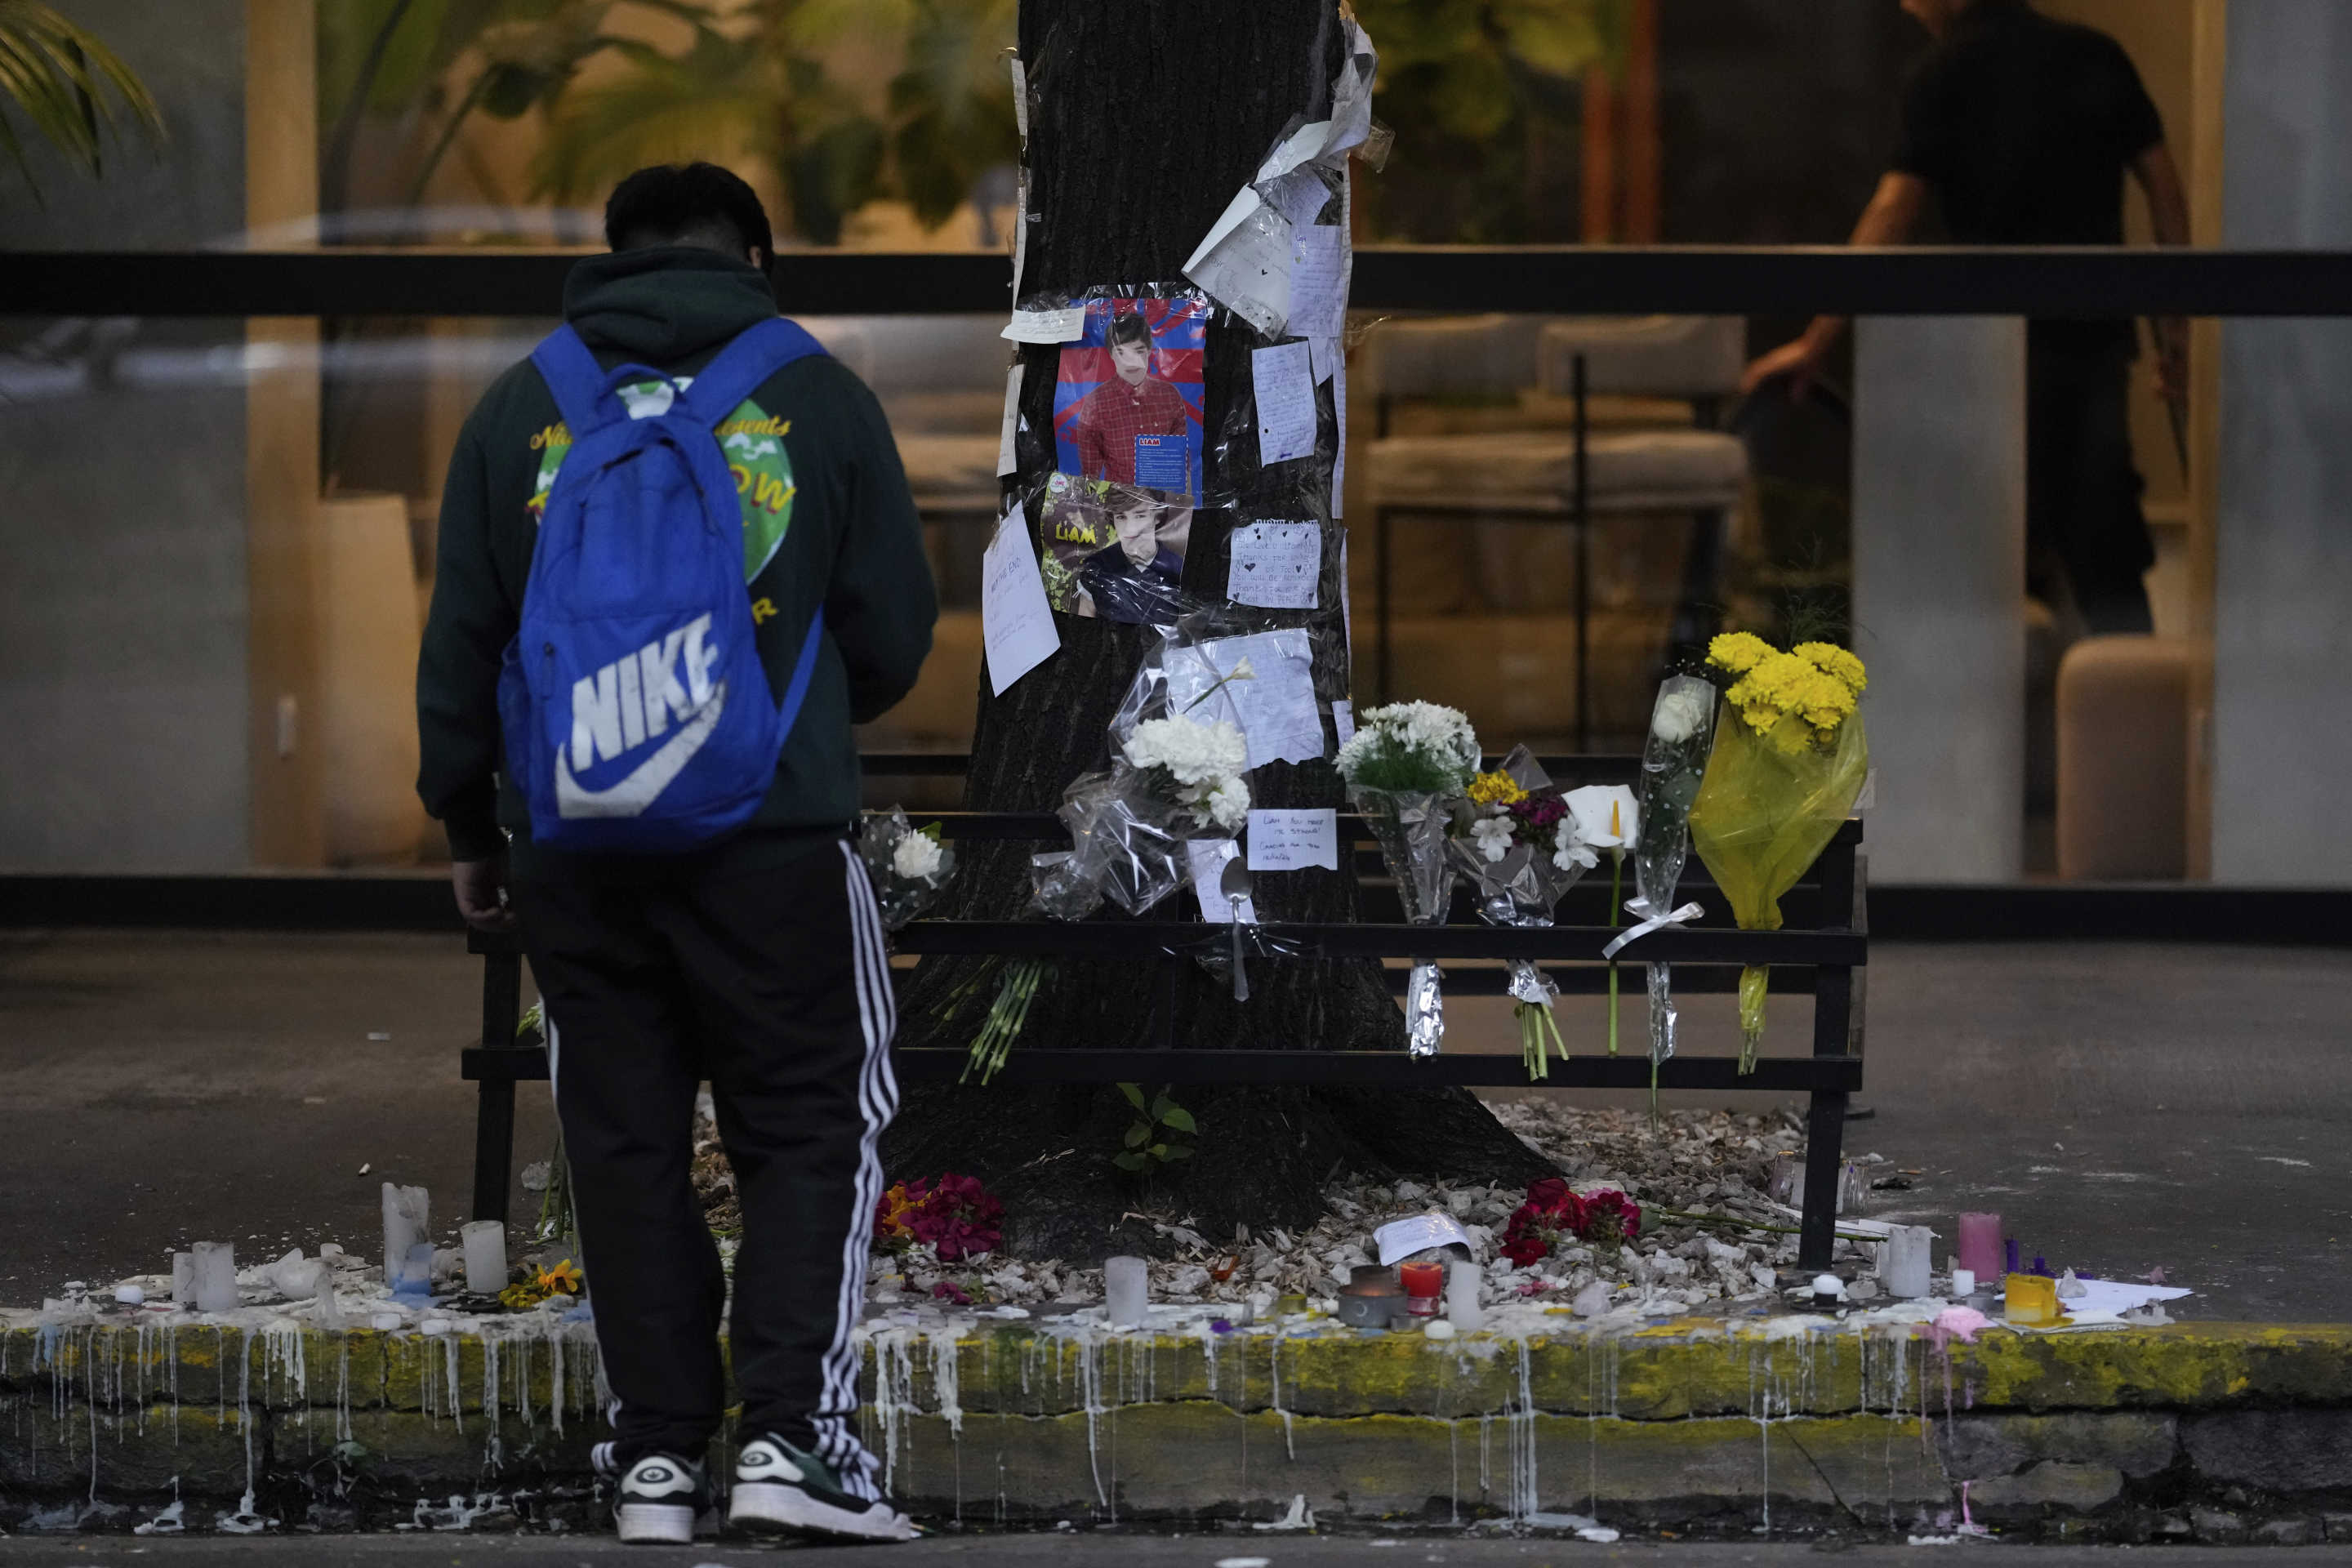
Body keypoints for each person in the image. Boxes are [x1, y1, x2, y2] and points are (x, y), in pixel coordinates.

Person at [415, 163, 935, 1545]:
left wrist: (473, 828)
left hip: (576, 852)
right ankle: (787, 1445)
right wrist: (789, 719)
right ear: (755, 256)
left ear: (614, 256)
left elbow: (462, 643)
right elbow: (892, 631)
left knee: (625, 1143)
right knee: (812, 1126)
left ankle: (654, 1462)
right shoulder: (814, 393)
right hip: (771, 843)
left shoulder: (524, 404)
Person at [1743, 0, 2190, 635]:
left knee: (1977, 562)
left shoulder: (1943, 73)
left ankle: (1986, 724)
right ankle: (2131, 725)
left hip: (1990, 355)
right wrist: (2177, 336)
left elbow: (1893, 212)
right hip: (2091, 347)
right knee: (2106, 560)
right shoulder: (2096, 54)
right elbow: (2165, 193)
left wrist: (1818, 340)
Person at [1070, 309, 1192, 489]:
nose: (1131, 362)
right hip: (1118, 504)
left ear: (1149, 351)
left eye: (1139, 351)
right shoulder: (1096, 403)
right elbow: (1090, 475)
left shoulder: (1169, 395)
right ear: (1110, 354)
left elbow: (1182, 464)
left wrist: (1182, 507)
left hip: (1163, 501)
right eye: (1121, 352)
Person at [1077, 490, 1186, 622]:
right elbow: (1085, 617)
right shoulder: (1096, 565)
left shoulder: (1179, 569)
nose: (1130, 528)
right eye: (1121, 517)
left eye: (1140, 516)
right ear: (1113, 519)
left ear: (1157, 517)